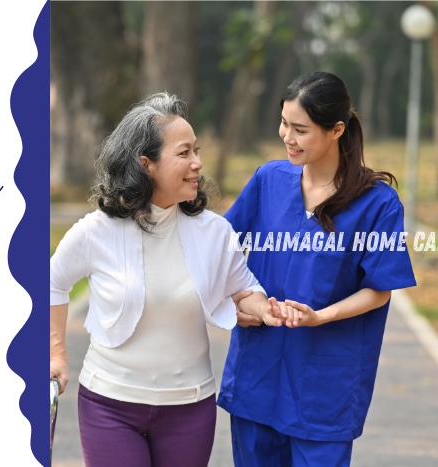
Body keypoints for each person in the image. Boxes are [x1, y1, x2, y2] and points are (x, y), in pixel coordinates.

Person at [49, 92, 279, 467]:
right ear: (147, 164)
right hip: (109, 405)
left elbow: (244, 290)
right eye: (184, 153)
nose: (198, 163)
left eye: (197, 151)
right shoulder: (97, 231)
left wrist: (267, 309)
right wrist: (57, 353)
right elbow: (52, 282)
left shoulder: (215, 232)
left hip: (189, 408)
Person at [219, 71, 417, 466]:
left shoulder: (378, 204)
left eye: (300, 129)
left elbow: (379, 289)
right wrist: (241, 299)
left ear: (336, 130)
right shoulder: (268, 180)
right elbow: (220, 251)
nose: (286, 137)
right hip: (258, 373)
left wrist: (319, 317)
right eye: (283, 124)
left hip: (325, 385)